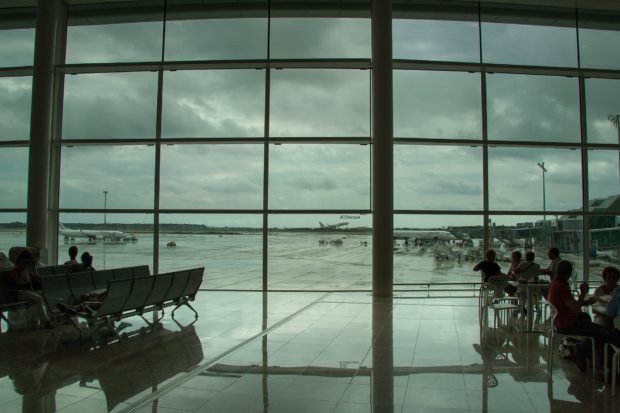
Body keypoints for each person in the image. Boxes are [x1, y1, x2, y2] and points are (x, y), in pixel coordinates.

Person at [546, 260, 613, 372]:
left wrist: (585, 302)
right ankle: (581, 350)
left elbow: (568, 304)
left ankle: (584, 352)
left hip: (560, 322)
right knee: (602, 332)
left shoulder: (554, 284)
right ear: (568, 273)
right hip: (568, 324)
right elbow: (575, 308)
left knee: (597, 328)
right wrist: (583, 292)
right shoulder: (561, 287)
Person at [6, 250, 53, 329]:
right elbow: (19, 285)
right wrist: (23, 275)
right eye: (24, 262)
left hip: (26, 292)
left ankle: (46, 319)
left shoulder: (26, 270)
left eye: (27, 262)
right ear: (20, 260)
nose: (25, 264)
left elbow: (34, 281)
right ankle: (45, 321)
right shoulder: (15, 271)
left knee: (44, 296)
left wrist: (34, 274)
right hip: (18, 294)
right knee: (38, 298)